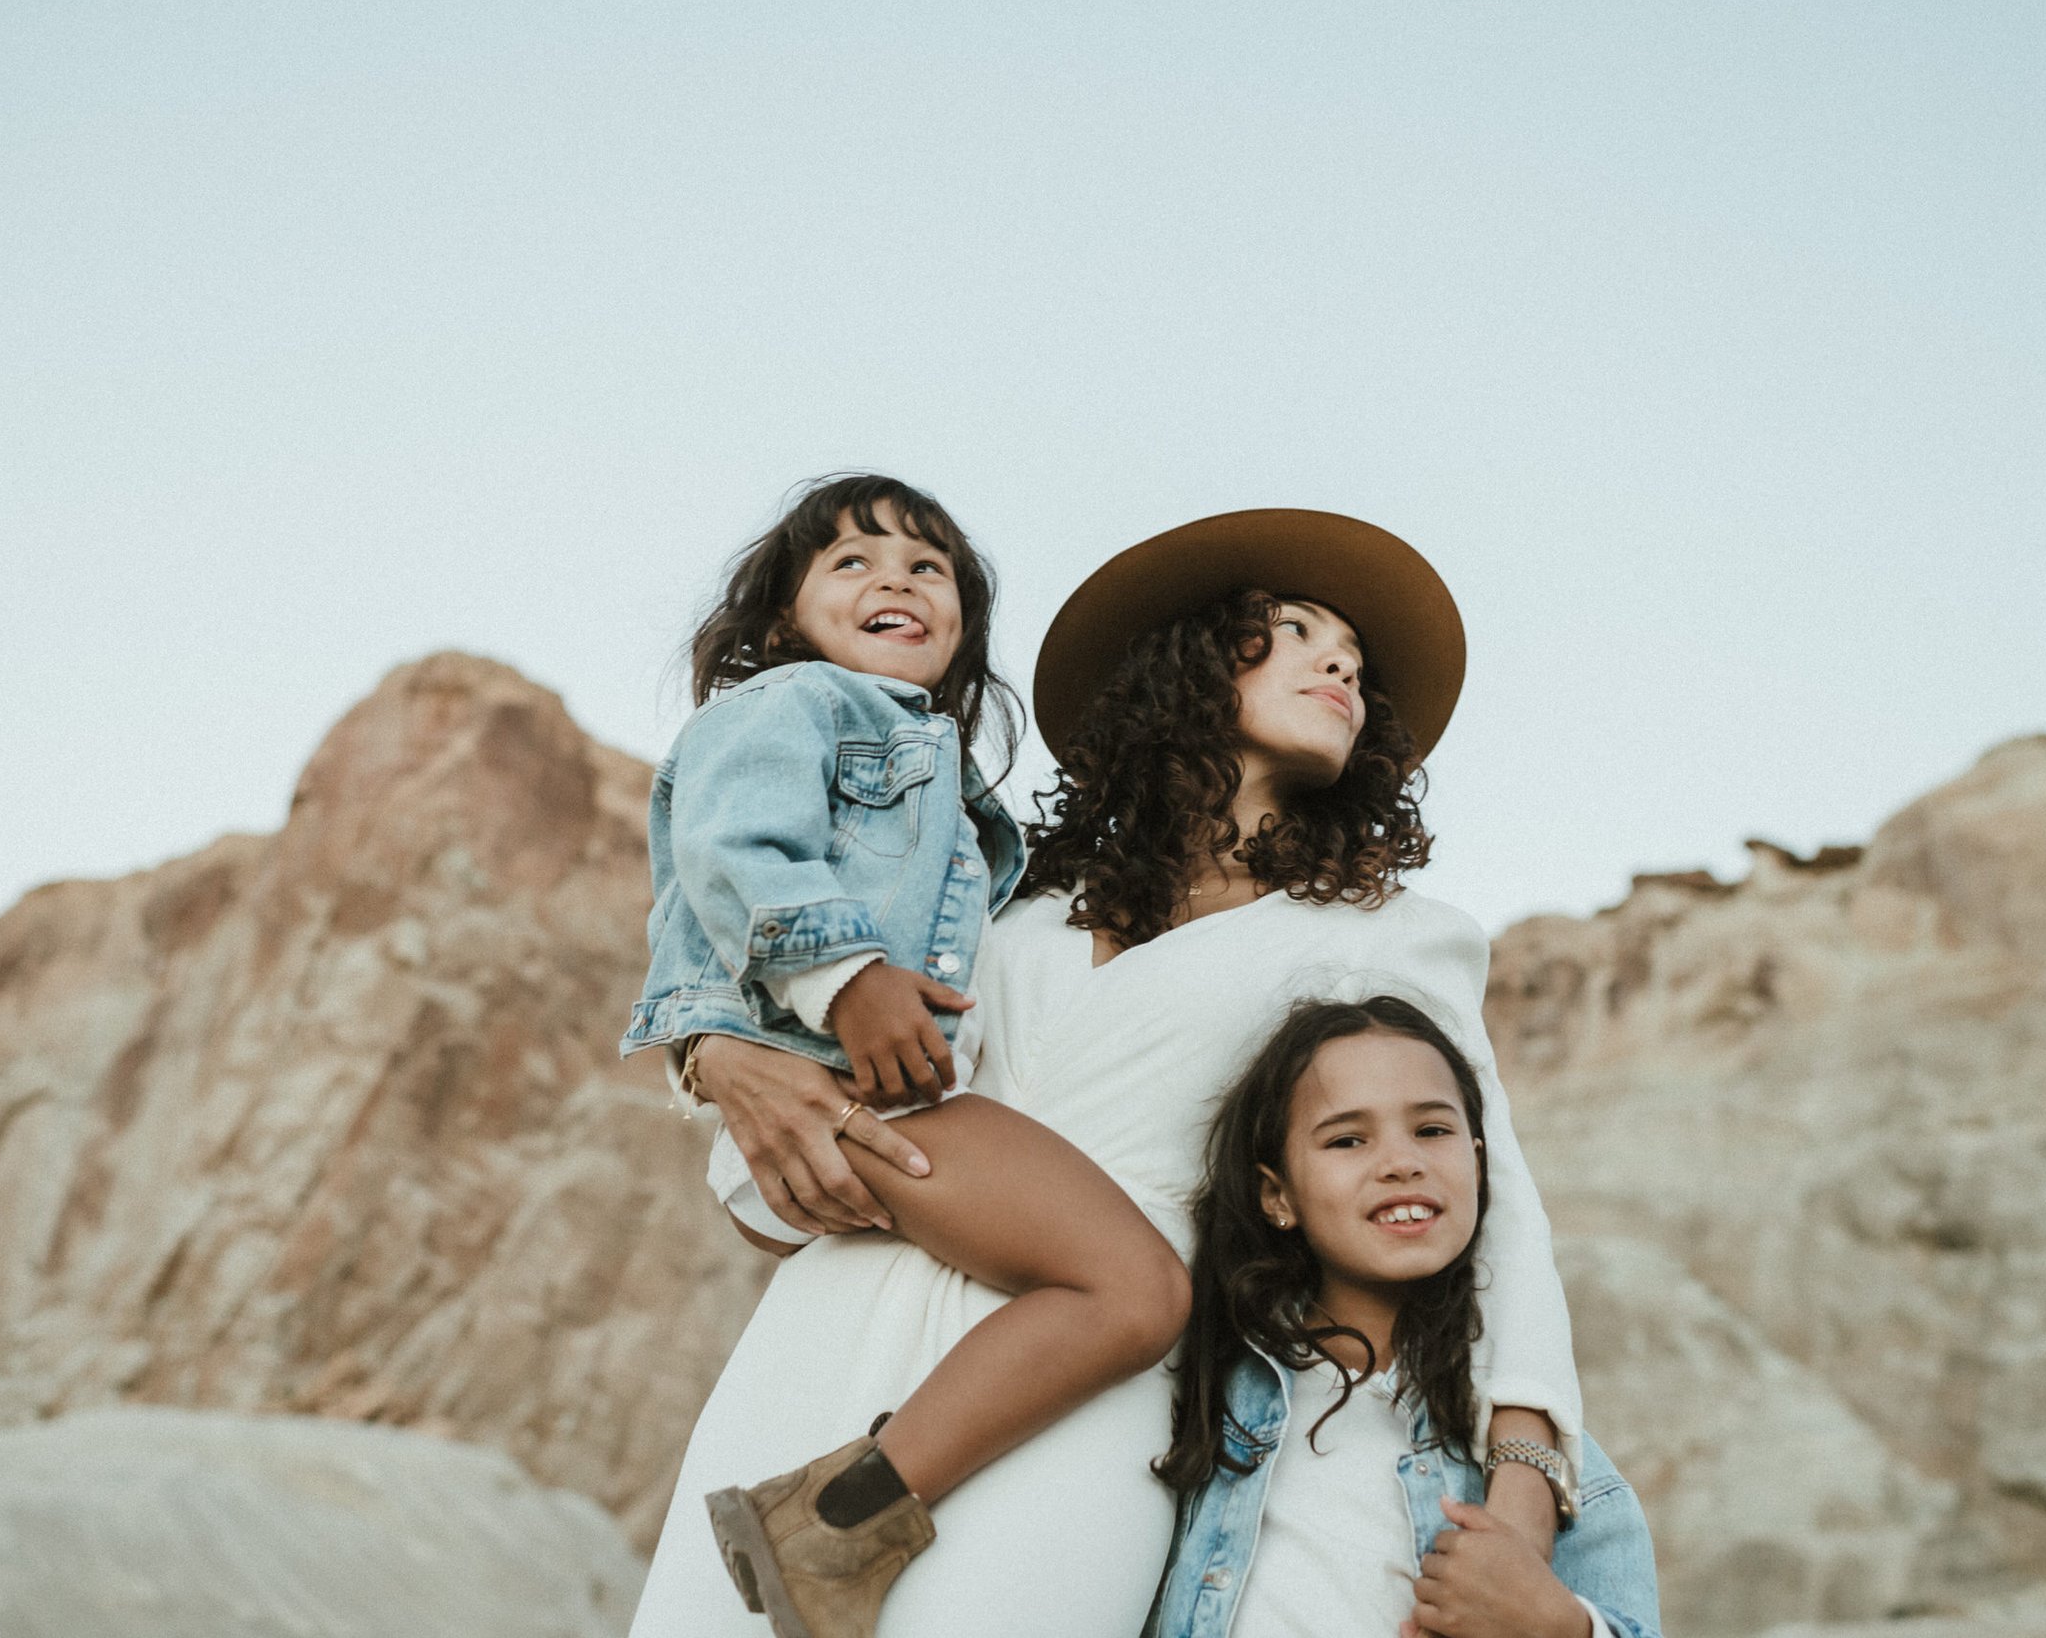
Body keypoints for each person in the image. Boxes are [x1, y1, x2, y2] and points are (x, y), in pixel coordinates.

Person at [631, 508, 1584, 1637]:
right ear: (1187, 662)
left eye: (1357, 662)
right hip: (828, 1326)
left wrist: (1524, 1494)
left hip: (1092, 1381)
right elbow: (816, 1019)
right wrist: (717, 1051)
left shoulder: (1384, 936)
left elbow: (1496, 1206)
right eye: (1291, 631)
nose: (1340, 663)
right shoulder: (1003, 897)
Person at [621, 474, 1192, 1638]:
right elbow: (725, 849)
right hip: (834, 1081)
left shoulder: (947, 780)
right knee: (1134, 1289)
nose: (896, 579)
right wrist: (843, 979)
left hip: (836, 1104)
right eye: (853, 561)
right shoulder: (788, 706)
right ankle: (831, 1524)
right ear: (783, 618)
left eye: (928, 569)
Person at [1150, 995, 1663, 1638]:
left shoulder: (1549, 1471)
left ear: (1480, 1163)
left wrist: (1560, 1626)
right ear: (1277, 1195)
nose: (1401, 1161)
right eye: (1347, 1139)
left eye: (1432, 1130)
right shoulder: (1197, 1404)